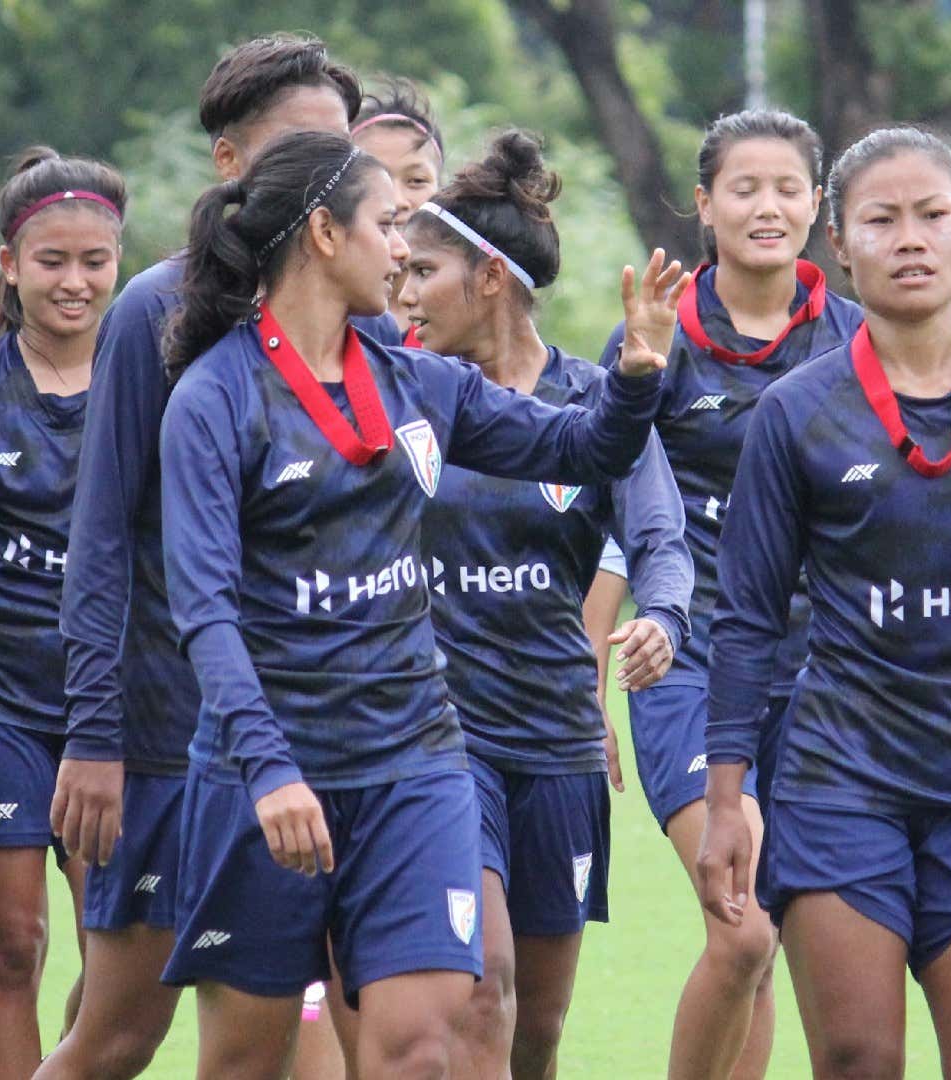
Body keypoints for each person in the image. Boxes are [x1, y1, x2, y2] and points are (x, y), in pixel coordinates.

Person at [157, 129, 684, 1079]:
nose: (401, 250)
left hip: (416, 762)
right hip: (268, 774)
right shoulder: (215, 397)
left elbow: (585, 449)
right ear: (324, 233)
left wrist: (639, 376)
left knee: (426, 1050)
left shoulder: (416, 381)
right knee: (244, 1062)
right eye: (388, 224)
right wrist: (271, 771)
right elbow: (204, 611)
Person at [695, 126, 951, 1080]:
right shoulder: (796, 411)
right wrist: (726, 800)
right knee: (856, 1060)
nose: (910, 238)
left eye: (931, 215)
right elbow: (748, 618)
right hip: (839, 781)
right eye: (881, 219)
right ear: (840, 242)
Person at [41, 34, 386, 1080]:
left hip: (325, 737)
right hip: (166, 743)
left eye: (342, 150)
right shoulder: (157, 310)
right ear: (231, 163)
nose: (328, 175)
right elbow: (101, 534)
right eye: (300, 148)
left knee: (309, 1031)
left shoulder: (371, 320)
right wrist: (95, 734)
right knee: (118, 1035)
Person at [399, 131, 693, 1078]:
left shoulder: (594, 407)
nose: (403, 292)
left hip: (559, 741)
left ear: (490, 278)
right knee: (481, 989)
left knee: (537, 1031)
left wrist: (663, 619)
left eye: (424, 271)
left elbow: (661, 541)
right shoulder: (405, 399)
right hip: (440, 740)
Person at [588, 108, 864, 1080]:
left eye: (789, 187)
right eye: (744, 188)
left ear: (820, 206)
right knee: (743, 930)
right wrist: (591, 677)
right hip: (686, 654)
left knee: (769, 938)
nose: (767, 206)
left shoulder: (859, 342)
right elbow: (610, 513)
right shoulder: (661, 336)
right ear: (704, 205)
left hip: (823, 673)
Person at [0, 148, 126, 1080]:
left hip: (120, 711)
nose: (75, 280)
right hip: (2, 707)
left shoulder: (157, 384)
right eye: (52, 260)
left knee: (116, 962)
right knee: (10, 949)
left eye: (96, 260)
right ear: (8, 266)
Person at [352, 76, 445, 336]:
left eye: (416, 181)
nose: (396, 200)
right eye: (376, 179)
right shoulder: (326, 311)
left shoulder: (461, 315)